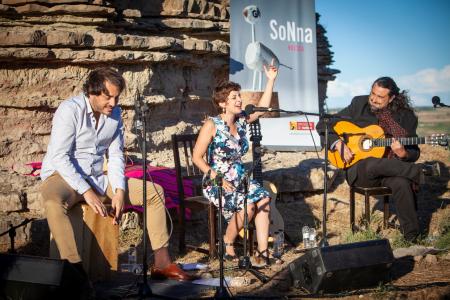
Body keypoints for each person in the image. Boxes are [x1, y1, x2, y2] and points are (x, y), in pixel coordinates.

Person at [40, 67, 191, 283]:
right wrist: (87, 192)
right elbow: (60, 157)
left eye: (117, 97)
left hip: (97, 178)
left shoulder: (115, 114)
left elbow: (116, 155)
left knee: (154, 192)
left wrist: (119, 191)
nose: (113, 102)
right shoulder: (69, 110)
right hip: (64, 177)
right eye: (108, 96)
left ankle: (162, 263)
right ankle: (74, 272)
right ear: (92, 92)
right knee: (54, 203)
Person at [192, 62, 278, 266]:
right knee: (248, 205)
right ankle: (228, 242)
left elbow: (263, 108)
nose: (240, 100)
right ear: (222, 103)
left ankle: (262, 253)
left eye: (239, 95)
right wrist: (217, 177)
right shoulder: (212, 124)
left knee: (264, 199)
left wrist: (270, 80)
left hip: (239, 178)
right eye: (234, 97)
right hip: (217, 180)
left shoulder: (240, 120)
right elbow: (197, 157)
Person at [317, 76, 423, 242]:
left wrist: (403, 154)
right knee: (371, 163)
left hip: (389, 171)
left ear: (392, 98)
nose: (374, 99)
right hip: (360, 172)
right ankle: (417, 172)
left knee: (401, 183)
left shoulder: (406, 117)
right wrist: (337, 143)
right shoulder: (359, 104)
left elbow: (414, 152)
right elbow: (324, 123)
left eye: (380, 97)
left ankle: (412, 237)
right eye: (372, 93)